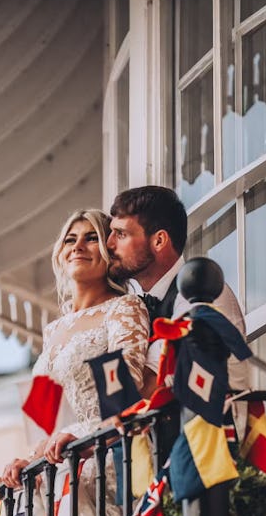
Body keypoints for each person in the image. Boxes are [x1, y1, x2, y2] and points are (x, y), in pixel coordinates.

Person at [0, 209, 154, 516]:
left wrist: (84, 436)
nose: (78, 246)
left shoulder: (124, 308)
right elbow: (47, 422)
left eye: (91, 238)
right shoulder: (53, 331)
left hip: (109, 459)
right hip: (62, 469)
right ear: (60, 252)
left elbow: (130, 394)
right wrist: (24, 469)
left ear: (109, 251)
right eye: (71, 239)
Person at [106, 185, 250, 447]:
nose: (109, 244)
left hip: (211, 457)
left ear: (159, 241)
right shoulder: (130, 308)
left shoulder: (202, 293)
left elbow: (149, 386)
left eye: (121, 234)